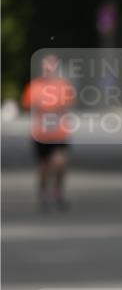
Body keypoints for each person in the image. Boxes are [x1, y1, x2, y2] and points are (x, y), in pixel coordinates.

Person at [21, 53, 76, 211]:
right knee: (43, 167)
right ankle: (43, 194)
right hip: (41, 134)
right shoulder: (35, 86)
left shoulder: (63, 86)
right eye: (46, 67)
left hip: (59, 133)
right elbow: (27, 105)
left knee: (60, 163)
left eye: (52, 66)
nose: (49, 70)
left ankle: (58, 193)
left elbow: (69, 103)